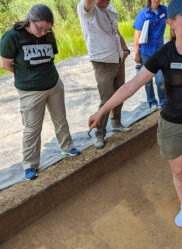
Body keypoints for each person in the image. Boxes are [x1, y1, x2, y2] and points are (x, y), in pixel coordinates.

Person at [89, 0, 182, 237]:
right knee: (180, 173)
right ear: (171, 23)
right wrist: (102, 111)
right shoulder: (163, 54)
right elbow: (131, 86)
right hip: (171, 127)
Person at [0, 4, 80, 181]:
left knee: (60, 119)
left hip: (54, 85)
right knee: (32, 129)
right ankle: (30, 165)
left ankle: (67, 147)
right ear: (30, 20)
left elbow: (50, 59)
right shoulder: (12, 35)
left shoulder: (48, 36)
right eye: (40, 28)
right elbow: (5, 64)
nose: (44, 32)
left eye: (47, 29)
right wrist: (26, 76)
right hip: (30, 92)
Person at [77, 0, 132, 149]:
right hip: (102, 63)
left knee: (120, 93)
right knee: (106, 99)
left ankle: (116, 123)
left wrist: (125, 48)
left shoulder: (110, 10)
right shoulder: (88, 9)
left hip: (118, 58)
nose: (103, 1)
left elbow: (116, 31)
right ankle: (100, 134)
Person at [133, 0, 167, 112]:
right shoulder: (143, 13)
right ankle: (152, 102)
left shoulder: (164, 10)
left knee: (160, 80)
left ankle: (163, 103)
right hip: (145, 53)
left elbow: (174, 22)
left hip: (159, 52)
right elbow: (137, 35)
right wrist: (137, 53)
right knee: (147, 80)